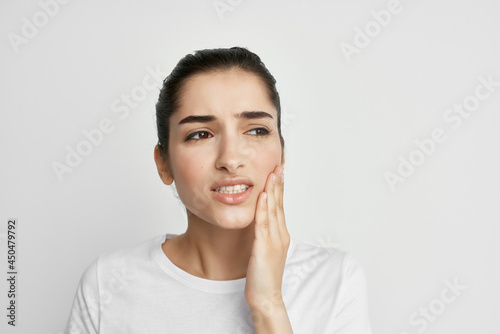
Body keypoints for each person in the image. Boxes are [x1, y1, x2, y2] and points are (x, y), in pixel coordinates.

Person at [64, 46, 372, 333]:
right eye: (200, 134)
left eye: (256, 130)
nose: (230, 159)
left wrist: (268, 307)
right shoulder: (108, 283)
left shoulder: (333, 279)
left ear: (282, 151)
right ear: (164, 164)